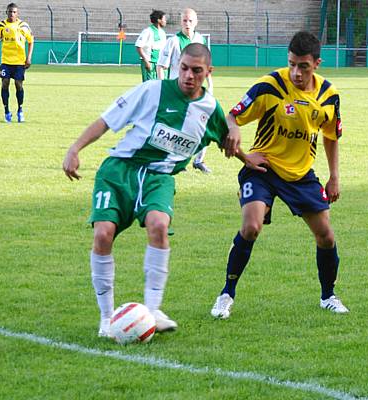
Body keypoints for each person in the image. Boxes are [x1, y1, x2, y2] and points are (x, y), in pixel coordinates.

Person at [62, 44, 240, 337]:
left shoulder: (210, 108)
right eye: (184, 68)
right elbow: (107, 120)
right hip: (120, 170)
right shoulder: (152, 90)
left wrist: (240, 142)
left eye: (197, 71)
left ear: (209, 72)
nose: (188, 76)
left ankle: (153, 309)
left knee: (159, 225)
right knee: (103, 233)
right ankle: (107, 319)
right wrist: (75, 148)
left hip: (159, 178)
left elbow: (227, 140)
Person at [210, 31, 350, 320]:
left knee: (325, 236)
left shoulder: (328, 95)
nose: (296, 73)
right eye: (292, 64)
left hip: (300, 175)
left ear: (317, 64)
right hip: (262, 169)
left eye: (304, 67)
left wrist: (334, 175)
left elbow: (331, 136)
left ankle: (328, 296)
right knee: (251, 227)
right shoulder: (270, 85)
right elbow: (233, 115)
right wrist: (234, 127)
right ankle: (226, 294)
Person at [157, 8, 213, 173]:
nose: (187, 24)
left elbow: (206, 65)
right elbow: (161, 66)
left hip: (197, 91)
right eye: (184, 21)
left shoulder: (201, 40)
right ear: (181, 22)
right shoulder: (173, 41)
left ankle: (199, 160)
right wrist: (163, 87)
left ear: (196, 22)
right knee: (175, 128)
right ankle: (173, 161)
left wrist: (210, 84)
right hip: (177, 91)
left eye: (190, 21)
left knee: (205, 125)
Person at [0, 3, 34, 123]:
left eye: (14, 12)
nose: (12, 14)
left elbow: (31, 41)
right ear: (6, 12)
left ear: (17, 13)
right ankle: (6, 112)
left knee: (18, 85)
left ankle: (20, 110)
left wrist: (29, 58)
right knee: (5, 83)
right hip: (6, 61)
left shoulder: (23, 26)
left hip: (20, 61)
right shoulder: (1, 25)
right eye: (10, 12)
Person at [134, 10, 167, 82]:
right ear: (159, 20)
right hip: (149, 62)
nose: (165, 21)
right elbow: (138, 46)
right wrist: (146, 61)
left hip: (159, 63)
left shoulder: (162, 32)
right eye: (164, 19)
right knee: (149, 85)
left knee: (160, 84)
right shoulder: (147, 31)